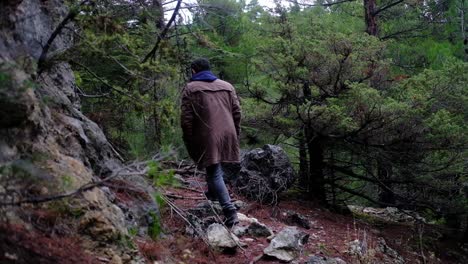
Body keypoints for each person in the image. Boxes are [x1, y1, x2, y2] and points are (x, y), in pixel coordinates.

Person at [180, 58, 241, 227]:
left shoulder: (191, 88)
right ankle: (212, 195)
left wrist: (189, 138)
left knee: (214, 171)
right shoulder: (227, 86)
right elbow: (237, 112)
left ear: (194, 71)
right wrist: (235, 133)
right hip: (228, 131)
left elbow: (186, 119)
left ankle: (230, 211)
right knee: (213, 166)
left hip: (207, 134)